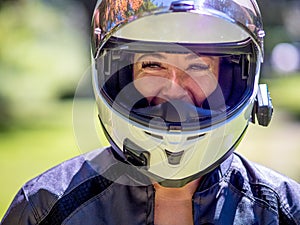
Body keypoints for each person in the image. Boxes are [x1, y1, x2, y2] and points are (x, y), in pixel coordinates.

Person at [2, 0, 300, 224]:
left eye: (198, 67)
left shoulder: (284, 211)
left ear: (234, 80)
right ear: (119, 76)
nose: (175, 91)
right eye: (153, 65)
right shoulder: (45, 208)